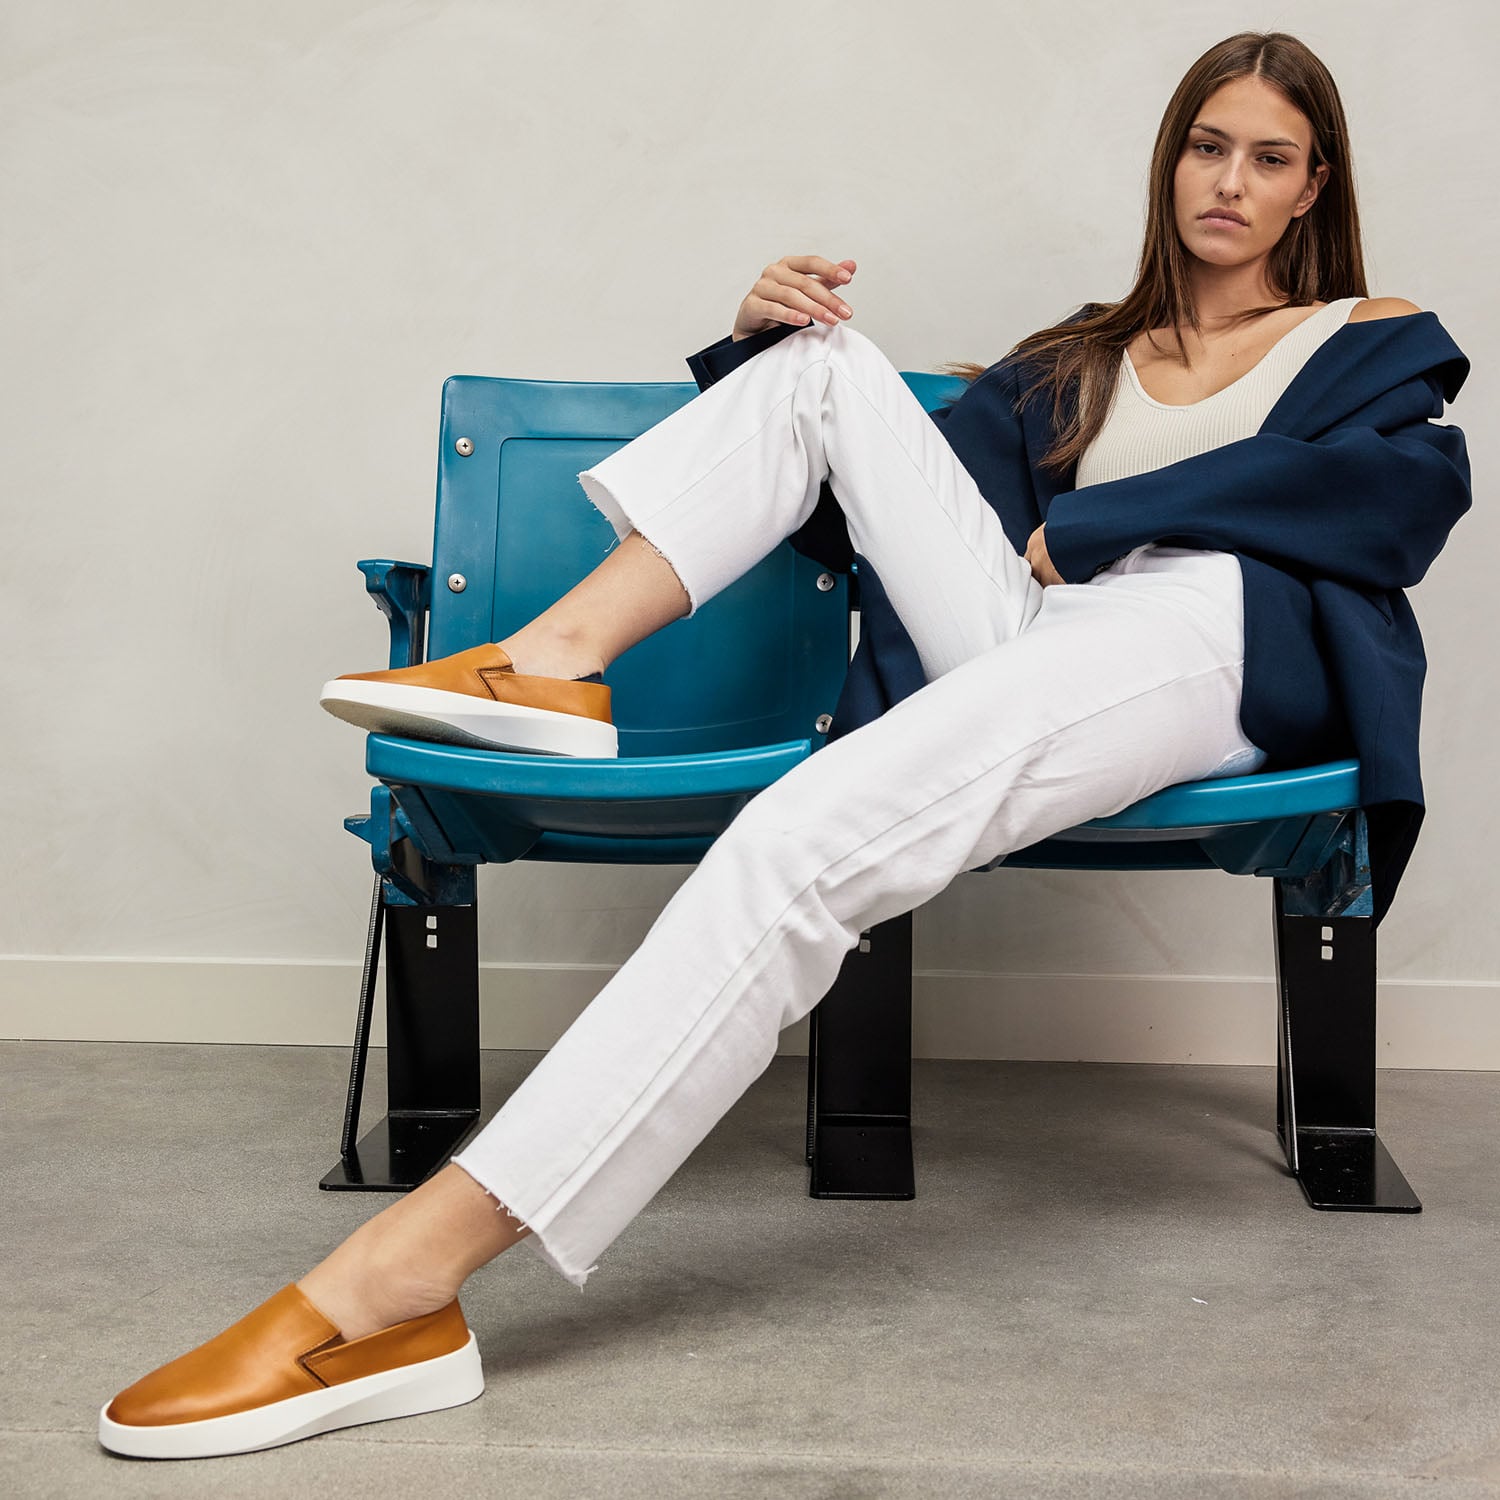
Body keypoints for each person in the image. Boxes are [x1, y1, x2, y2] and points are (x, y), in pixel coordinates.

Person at [99, 30, 1471, 1459]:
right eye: (1208, 146)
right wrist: (761, 343)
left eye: (1269, 158)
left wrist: (1107, 522)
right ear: (1170, 160)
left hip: (1207, 632)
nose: (1231, 182)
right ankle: (554, 664)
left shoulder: (1360, 337)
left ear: (1313, 186)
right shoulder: (1083, 359)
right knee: (821, 364)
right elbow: (858, 509)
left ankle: (399, 1282)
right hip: (1043, 632)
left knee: (798, 837)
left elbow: (1393, 506)